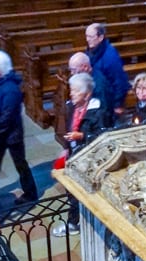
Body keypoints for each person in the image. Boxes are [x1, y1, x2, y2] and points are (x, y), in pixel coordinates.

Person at [52, 73, 111, 238]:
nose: (72, 94)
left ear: (87, 95)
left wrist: (82, 136)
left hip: (88, 159)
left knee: (81, 191)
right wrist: (67, 146)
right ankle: (75, 220)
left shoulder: (98, 111)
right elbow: (69, 126)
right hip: (74, 155)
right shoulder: (72, 106)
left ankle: (76, 222)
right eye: (72, 90)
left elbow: (101, 136)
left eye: (76, 91)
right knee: (71, 190)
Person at [0, 49, 39, 203]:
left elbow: (7, 116)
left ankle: (30, 193)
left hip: (11, 134)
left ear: (1, 68)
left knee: (20, 163)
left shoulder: (11, 89)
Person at [85, 22, 130, 111]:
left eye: (90, 36)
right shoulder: (91, 51)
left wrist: (118, 105)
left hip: (108, 101)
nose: (87, 39)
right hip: (97, 96)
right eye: (86, 36)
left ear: (101, 37)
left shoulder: (110, 56)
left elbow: (119, 81)